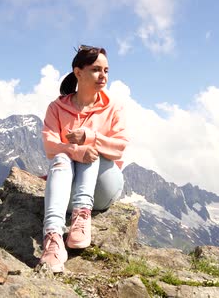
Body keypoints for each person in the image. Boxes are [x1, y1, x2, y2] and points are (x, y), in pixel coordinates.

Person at [39, 45, 128, 272]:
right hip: (67, 191)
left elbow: (119, 147)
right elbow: (50, 147)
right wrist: (76, 151)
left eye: (106, 70)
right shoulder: (57, 108)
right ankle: (53, 238)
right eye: (96, 69)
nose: (103, 76)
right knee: (60, 158)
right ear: (78, 72)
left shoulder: (113, 108)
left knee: (91, 148)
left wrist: (90, 137)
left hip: (103, 187)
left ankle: (82, 215)